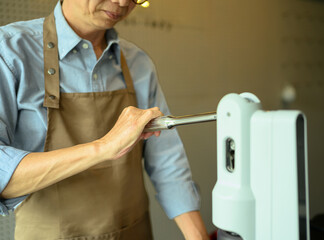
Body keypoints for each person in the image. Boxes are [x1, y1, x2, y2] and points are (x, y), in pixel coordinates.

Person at [0, 0, 209, 239]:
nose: (122, 3)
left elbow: (166, 160)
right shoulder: (10, 52)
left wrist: (198, 236)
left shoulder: (138, 62)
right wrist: (103, 148)